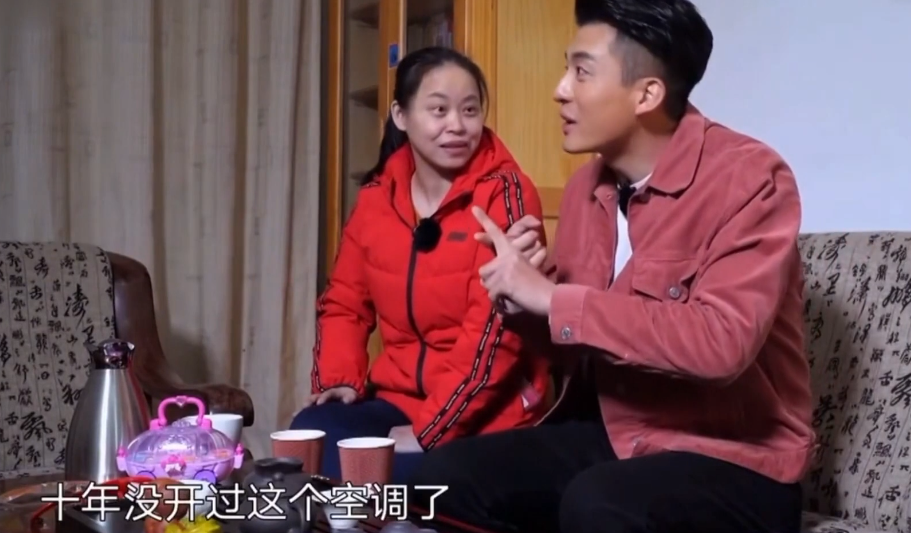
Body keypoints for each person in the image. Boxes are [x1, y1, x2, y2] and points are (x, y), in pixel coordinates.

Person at [409, 1, 815, 532]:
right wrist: (522, 299)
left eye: (581, 72)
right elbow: (575, 348)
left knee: (596, 503)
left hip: (737, 459)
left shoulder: (751, 179)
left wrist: (554, 299)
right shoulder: (585, 189)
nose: (560, 90)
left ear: (647, 94)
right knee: (436, 481)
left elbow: (722, 344)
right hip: (618, 437)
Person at [292, 46, 551, 485]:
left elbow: (496, 333)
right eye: (439, 110)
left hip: (487, 414)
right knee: (310, 438)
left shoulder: (505, 194)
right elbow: (345, 303)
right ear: (401, 115)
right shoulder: (377, 199)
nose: (457, 125)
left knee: (403, 477)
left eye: (470, 110)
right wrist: (340, 379)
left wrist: (430, 430)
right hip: (397, 401)